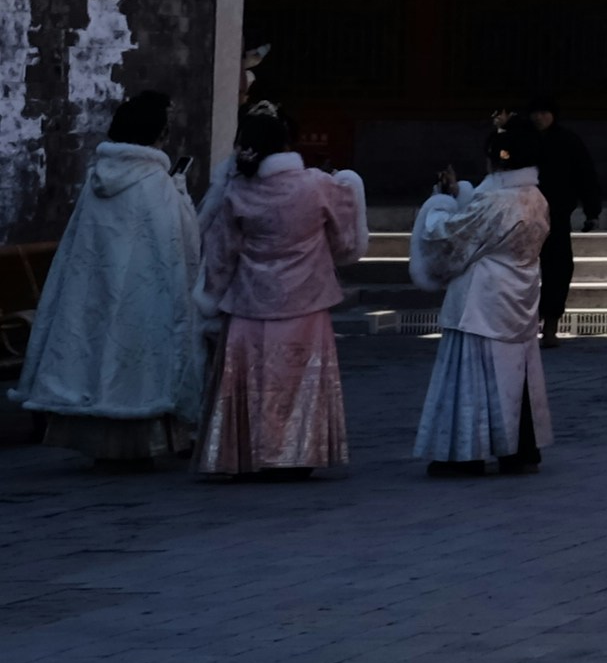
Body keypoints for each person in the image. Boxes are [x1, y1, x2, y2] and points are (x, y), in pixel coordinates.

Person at [9, 86, 205, 465]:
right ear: (156, 133)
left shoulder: (98, 180)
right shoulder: (155, 182)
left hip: (99, 292)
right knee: (139, 362)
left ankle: (101, 441)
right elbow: (180, 242)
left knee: (101, 354)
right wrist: (181, 194)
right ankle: (147, 442)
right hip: (144, 297)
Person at [193, 103, 364, 479]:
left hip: (250, 300)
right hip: (306, 298)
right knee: (300, 380)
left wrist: (211, 294)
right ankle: (298, 451)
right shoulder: (319, 185)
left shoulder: (236, 191)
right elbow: (346, 243)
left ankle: (248, 451)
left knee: (250, 380)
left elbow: (221, 255)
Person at [406, 130, 551, 476]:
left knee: (473, 372)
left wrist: (440, 205)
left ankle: (466, 453)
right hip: (521, 290)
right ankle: (519, 449)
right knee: (520, 373)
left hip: (483, 297)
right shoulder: (535, 197)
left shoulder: (496, 202)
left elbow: (450, 236)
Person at [511, 102, 604, 340]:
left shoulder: (569, 141)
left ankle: (551, 321)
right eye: (535, 112)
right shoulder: (518, 140)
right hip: (522, 215)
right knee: (518, 268)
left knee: (558, 268)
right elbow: (500, 162)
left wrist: (592, 211)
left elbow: (585, 175)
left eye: (544, 112)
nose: (539, 117)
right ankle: (523, 322)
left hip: (557, 214)